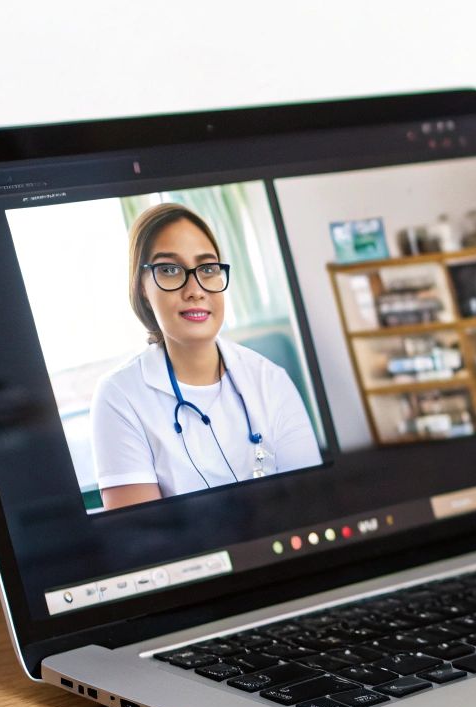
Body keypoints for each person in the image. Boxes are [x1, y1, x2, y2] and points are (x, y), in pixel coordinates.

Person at [89, 202, 321, 510]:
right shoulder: (119, 397)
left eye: (208, 268)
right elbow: (141, 539)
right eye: (170, 270)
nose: (195, 289)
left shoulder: (270, 379)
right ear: (142, 287)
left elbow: (311, 505)